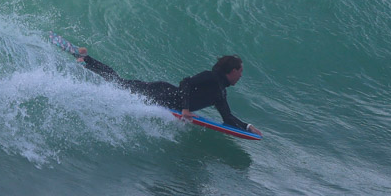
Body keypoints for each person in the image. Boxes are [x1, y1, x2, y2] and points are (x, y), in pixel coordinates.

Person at [77, 48, 262, 136]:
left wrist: (247, 127)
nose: (241, 76)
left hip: (167, 100)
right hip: (162, 93)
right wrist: (186, 109)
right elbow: (186, 83)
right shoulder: (211, 77)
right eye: (240, 72)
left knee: (120, 83)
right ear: (232, 71)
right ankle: (86, 59)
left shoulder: (220, 93)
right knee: (119, 83)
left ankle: (86, 62)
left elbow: (227, 118)